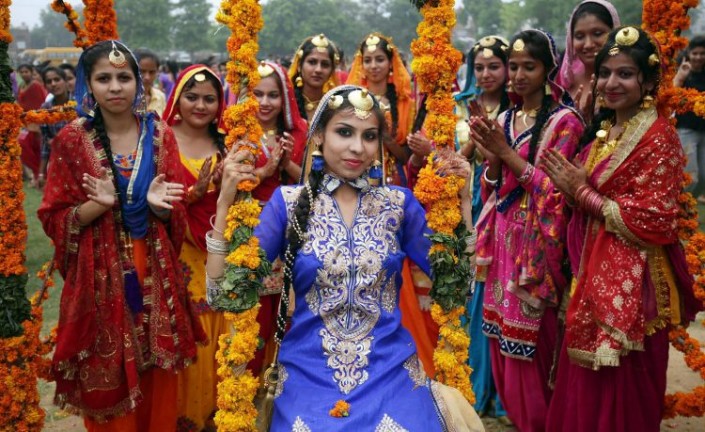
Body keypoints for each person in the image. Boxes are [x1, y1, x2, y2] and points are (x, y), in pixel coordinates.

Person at [205, 85, 484, 431]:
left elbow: (457, 288)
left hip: (391, 373)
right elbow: (224, 294)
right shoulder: (288, 203)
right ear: (319, 135)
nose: (358, 147)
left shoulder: (398, 205)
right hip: (307, 374)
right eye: (344, 132)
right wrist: (224, 203)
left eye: (369, 136)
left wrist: (464, 203)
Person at [37, 40, 205, 431]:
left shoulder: (160, 135)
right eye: (104, 78)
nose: (115, 87)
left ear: (138, 83)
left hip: (155, 269)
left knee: (157, 372)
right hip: (99, 276)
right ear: (88, 84)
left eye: (124, 77)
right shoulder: (72, 141)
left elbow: (176, 213)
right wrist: (98, 206)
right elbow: (52, 216)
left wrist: (159, 206)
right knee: (107, 369)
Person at [543, 26, 703, 432]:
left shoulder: (658, 137)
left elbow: (652, 219)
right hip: (593, 269)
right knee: (588, 384)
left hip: (638, 285)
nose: (611, 83)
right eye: (605, 73)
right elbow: (584, 193)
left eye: (625, 74)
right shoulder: (607, 129)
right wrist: (575, 191)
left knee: (625, 387)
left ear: (648, 82)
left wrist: (581, 192)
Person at [469, 29, 584, 432]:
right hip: (502, 241)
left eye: (529, 67)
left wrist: (504, 152)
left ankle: (541, 422)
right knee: (500, 337)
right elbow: (492, 188)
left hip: (536, 248)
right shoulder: (504, 119)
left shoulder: (565, 122)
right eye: (514, 66)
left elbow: (557, 193)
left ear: (549, 70)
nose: (518, 75)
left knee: (533, 344)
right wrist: (493, 161)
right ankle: (518, 419)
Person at [161, 64, 228, 431]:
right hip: (177, 256)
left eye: (209, 99)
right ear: (177, 99)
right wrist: (192, 195)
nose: (200, 106)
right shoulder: (160, 141)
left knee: (219, 336)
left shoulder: (225, 145)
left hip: (217, 252)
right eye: (192, 97)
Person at [453, 35, 512, 422]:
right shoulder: (458, 106)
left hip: (502, 209)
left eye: (494, 66)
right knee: (469, 294)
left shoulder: (518, 107)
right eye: (480, 67)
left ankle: (499, 392)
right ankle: (472, 386)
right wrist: (475, 140)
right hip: (467, 209)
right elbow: (449, 161)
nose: (486, 74)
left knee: (496, 292)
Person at [347, 32, 413, 187]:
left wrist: (386, 137)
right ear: (361, 65)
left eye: (380, 59)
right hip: (356, 177)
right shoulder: (351, 100)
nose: (373, 66)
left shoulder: (405, 104)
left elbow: (406, 157)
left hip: (394, 180)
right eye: (367, 60)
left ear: (390, 63)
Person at [557, 0, 620, 117]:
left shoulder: (626, 82)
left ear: (615, 33)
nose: (588, 45)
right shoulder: (564, 83)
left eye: (597, 33)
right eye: (579, 36)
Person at [674, 35, 705, 202]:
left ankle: (686, 206)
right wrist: (681, 75)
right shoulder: (683, 70)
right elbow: (671, 93)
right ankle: (679, 207)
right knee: (691, 178)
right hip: (685, 130)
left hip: (703, 131)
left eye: (702, 53)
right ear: (689, 53)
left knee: (703, 178)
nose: (699, 57)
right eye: (695, 53)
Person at [288, 34, 340, 120]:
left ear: (332, 71)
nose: (318, 70)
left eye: (325, 64)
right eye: (312, 62)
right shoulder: (286, 103)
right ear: (299, 66)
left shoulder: (336, 107)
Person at [37, 67, 72, 187]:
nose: (53, 84)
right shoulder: (45, 108)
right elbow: (45, 142)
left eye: (57, 79)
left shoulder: (81, 103)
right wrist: (41, 173)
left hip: (83, 160)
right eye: (49, 81)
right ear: (45, 86)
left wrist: (59, 141)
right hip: (58, 161)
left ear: (65, 81)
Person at [135, 48, 167, 115]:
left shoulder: (160, 97)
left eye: (152, 72)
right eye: (142, 71)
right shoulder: (125, 97)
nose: (147, 77)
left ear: (157, 72)